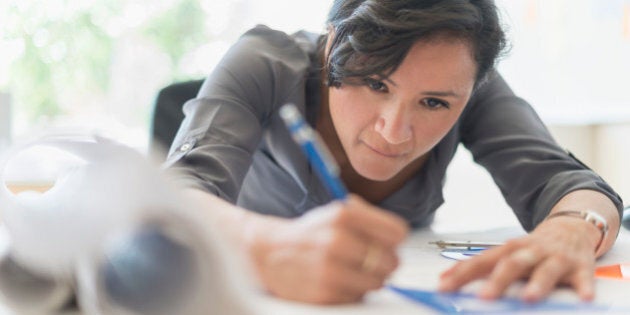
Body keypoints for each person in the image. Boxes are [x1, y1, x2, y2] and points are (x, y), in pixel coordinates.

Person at [163, 0, 623, 305]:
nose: (395, 131)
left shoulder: (470, 86)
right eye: (375, 82)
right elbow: (175, 195)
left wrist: (574, 228)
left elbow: (572, 185)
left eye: (434, 103)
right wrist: (265, 249)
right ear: (330, 46)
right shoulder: (262, 63)